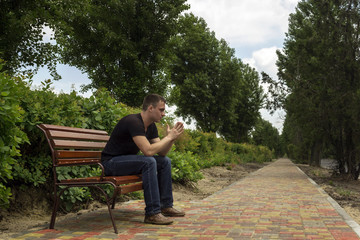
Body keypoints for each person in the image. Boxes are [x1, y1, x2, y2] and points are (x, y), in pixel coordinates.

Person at [101, 94, 185, 225]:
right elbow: (148, 151)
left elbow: (162, 152)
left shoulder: (151, 126)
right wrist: (168, 138)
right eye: (161, 110)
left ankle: (166, 206)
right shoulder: (133, 122)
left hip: (125, 162)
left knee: (164, 162)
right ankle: (152, 213)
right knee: (149, 161)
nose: (163, 114)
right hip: (111, 163)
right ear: (151, 108)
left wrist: (171, 139)